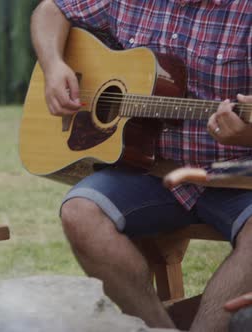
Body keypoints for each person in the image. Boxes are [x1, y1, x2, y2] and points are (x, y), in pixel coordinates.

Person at [31, 0, 252, 331]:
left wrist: (246, 135)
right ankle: (157, 327)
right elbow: (50, 10)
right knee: (79, 213)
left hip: (237, 176)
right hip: (151, 170)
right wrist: (53, 65)